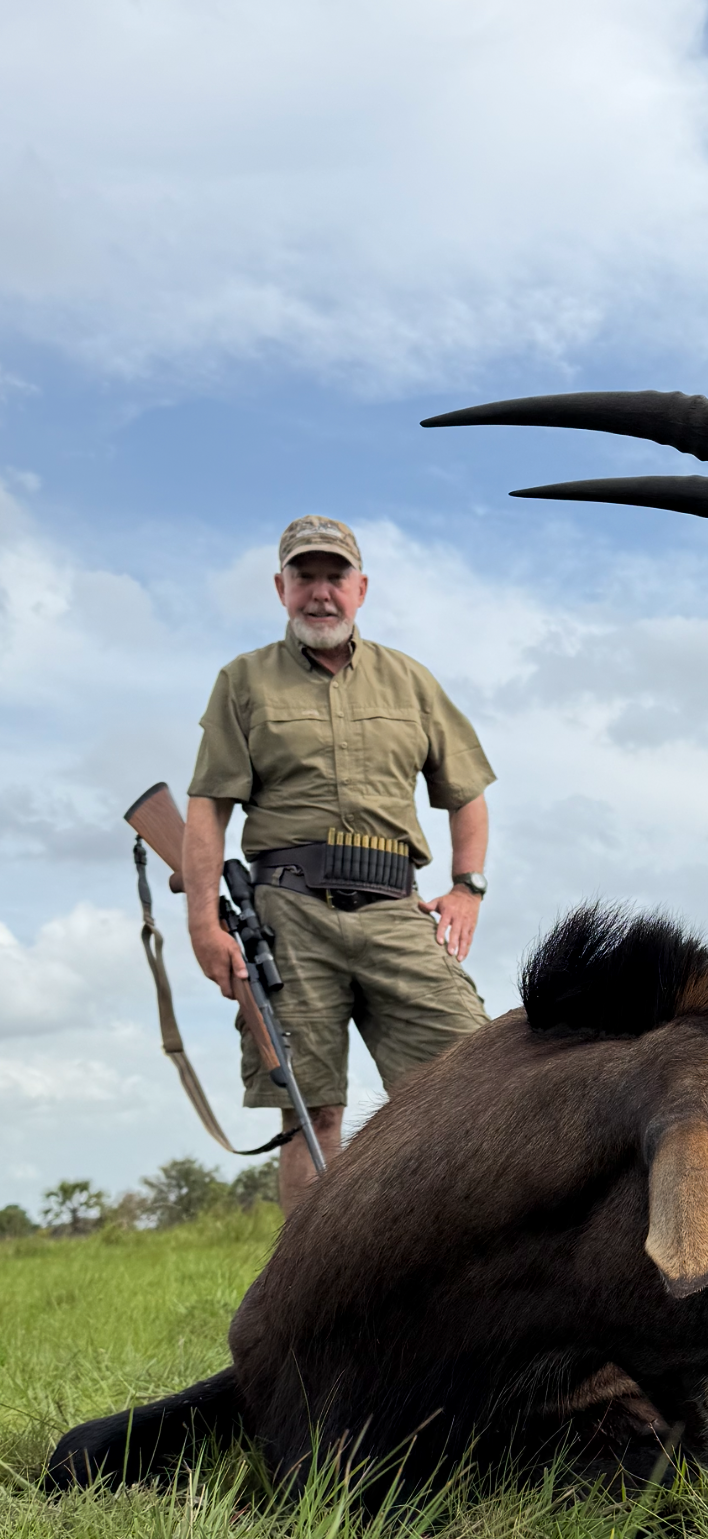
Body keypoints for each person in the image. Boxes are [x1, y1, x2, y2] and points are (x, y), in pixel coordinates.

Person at [182, 514, 494, 1212]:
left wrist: (467, 887)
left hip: (395, 910)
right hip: (288, 916)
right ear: (280, 587)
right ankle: (313, 1308)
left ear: (361, 588)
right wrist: (204, 923)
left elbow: (466, 793)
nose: (319, 592)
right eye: (304, 577)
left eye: (334, 576)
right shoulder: (243, 681)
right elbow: (207, 807)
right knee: (312, 1114)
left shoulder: (410, 681)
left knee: (469, 1088)